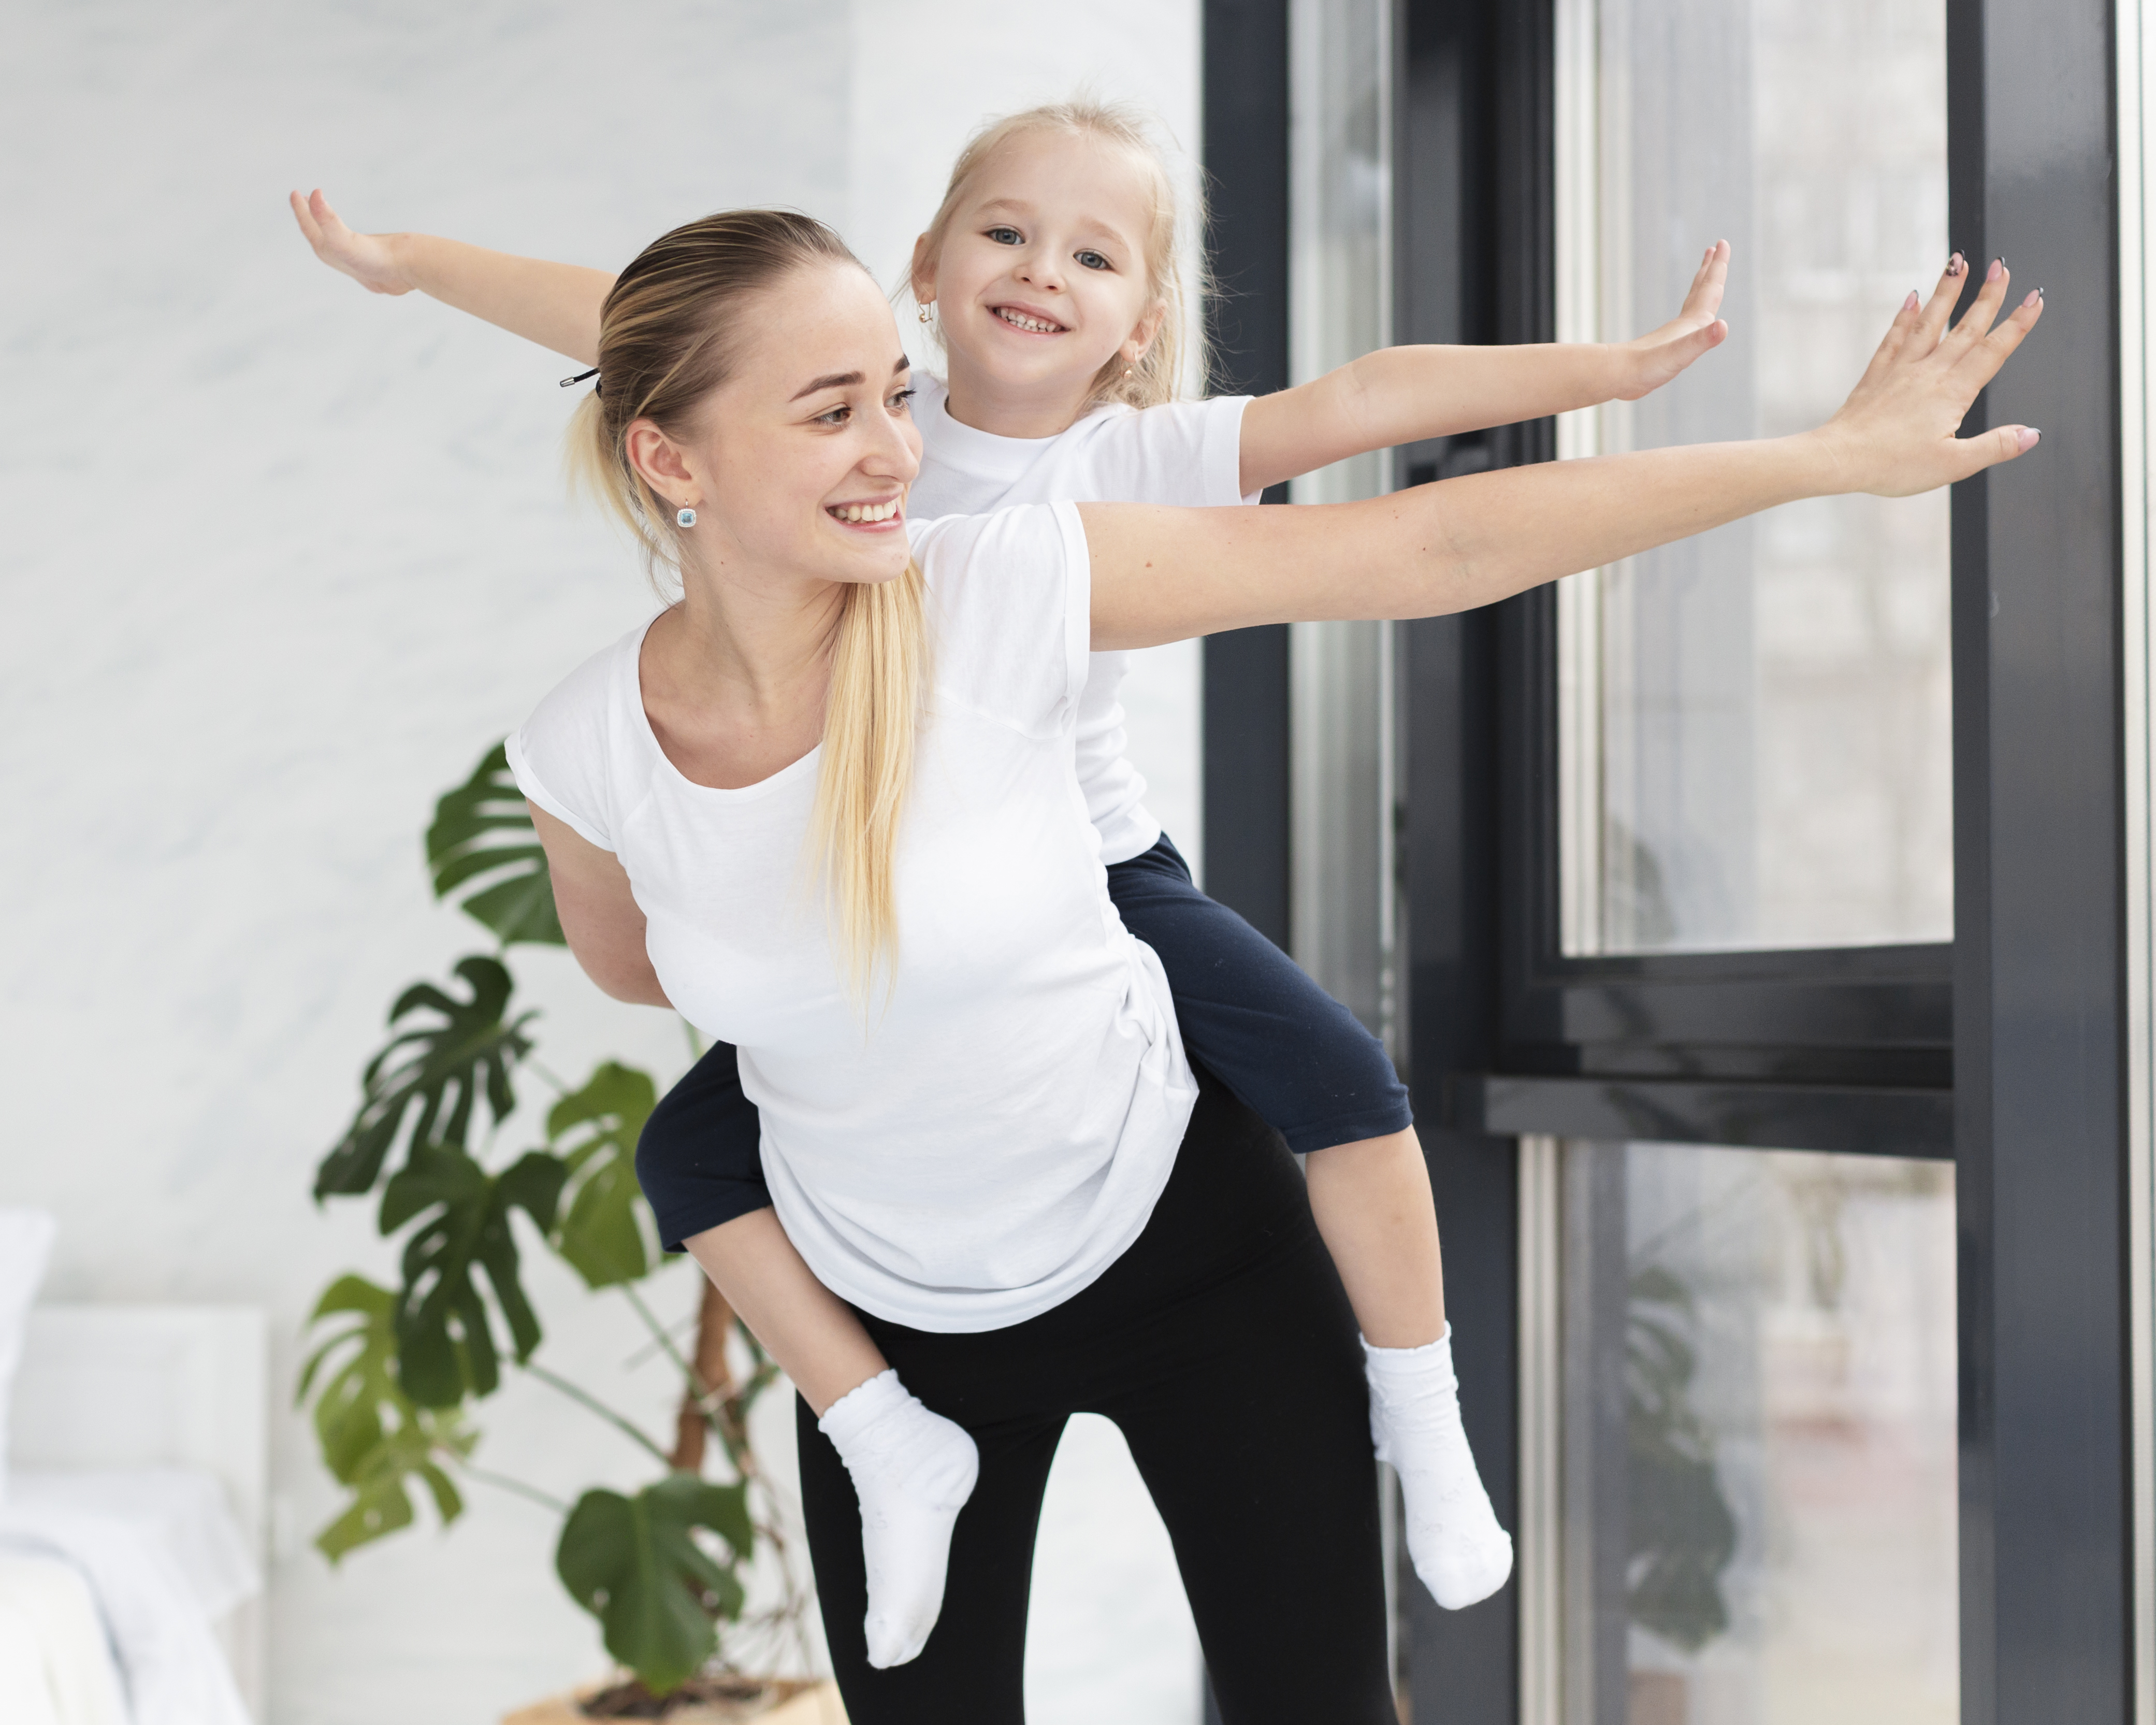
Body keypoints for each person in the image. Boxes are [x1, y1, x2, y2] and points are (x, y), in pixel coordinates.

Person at [435, 190, 2031, 1719]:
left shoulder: (1009, 582)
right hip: (888, 1327)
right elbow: (638, 968)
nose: (895, 451)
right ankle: (885, 1437)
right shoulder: (584, 747)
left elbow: (1429, 548)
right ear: (669, 455)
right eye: (830, 410)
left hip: (1186, 1248)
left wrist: (1819, 463)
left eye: (898, 398)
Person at [289, 98, 1735, 1641]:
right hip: (885, 1039)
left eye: (1091, 254)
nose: (1036, 275)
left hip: (1098, 873)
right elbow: (627, 322)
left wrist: (1614, 372)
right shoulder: (655, 637)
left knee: (1337, 1076)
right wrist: (410, 263)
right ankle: (878, 1431)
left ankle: (1422, 1419)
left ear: (1137, 322)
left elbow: (1399, 478)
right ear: (925, 263)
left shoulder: (1110, 475)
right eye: (1004, 232)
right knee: (691, 1155)